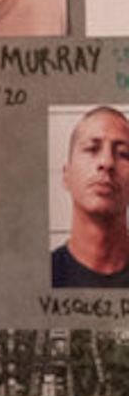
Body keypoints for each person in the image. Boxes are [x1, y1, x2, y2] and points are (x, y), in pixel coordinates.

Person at [52, 106, 129, 287]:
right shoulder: (45, 273)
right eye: (92, 149)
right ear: (67, 175)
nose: (107, 162)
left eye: (123, 154)